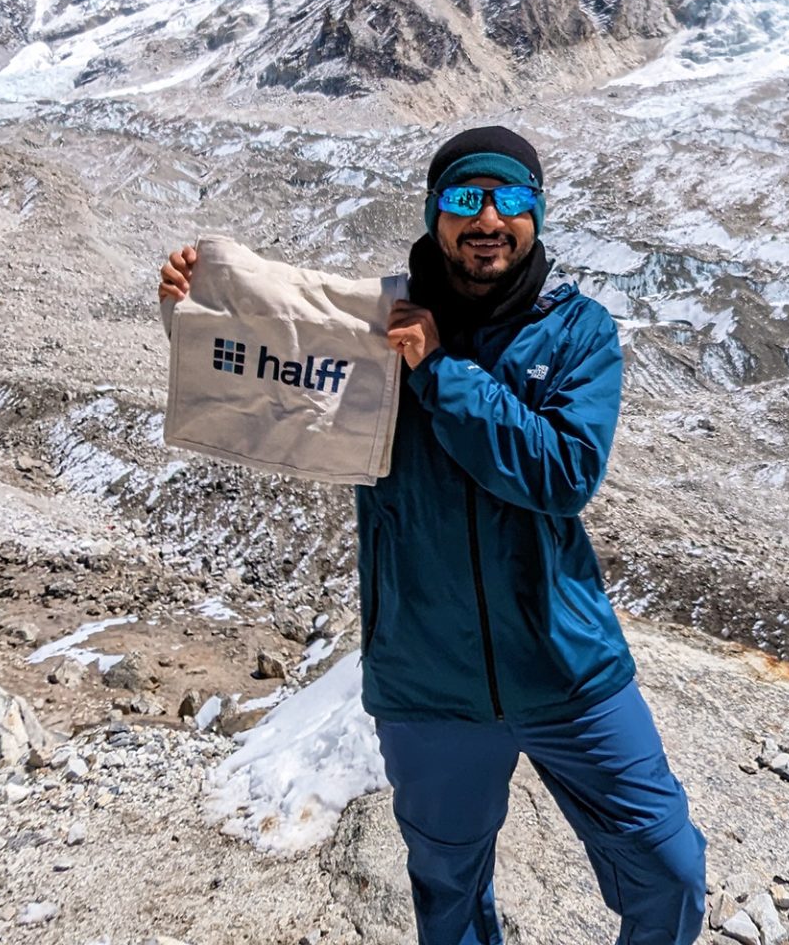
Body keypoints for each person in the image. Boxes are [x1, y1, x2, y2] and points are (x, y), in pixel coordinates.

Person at [158, 125, 706, 945]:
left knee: (669, 869)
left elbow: (564, 473)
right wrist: (196, 313)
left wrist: (442, 373)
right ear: (432, 212)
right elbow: (269, 391)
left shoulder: (577, 331)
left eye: (509, 198)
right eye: (463, 198)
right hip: (426, 681)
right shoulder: (371, 332)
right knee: (448, 892)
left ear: (536, 212)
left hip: (567, 667)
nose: (488, 219)